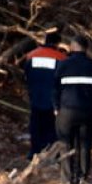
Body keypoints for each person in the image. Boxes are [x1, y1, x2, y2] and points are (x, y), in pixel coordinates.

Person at [53, 35, 92, 184]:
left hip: (66, 111)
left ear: (73, 46)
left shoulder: (63, 64)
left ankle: (67, 179)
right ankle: (83, 178)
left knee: (65, 144)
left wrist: (56, 107)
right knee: (85, 145)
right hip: (87, 111)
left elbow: (55, 88)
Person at [21, 30, 66, 159]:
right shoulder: (61, 58)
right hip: (52, 98)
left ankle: (34, 152)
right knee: (51, 127)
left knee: (35, 124)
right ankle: (50, 153)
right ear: (57, 43)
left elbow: (26, 75)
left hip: (35, 96)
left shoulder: (31, 55)